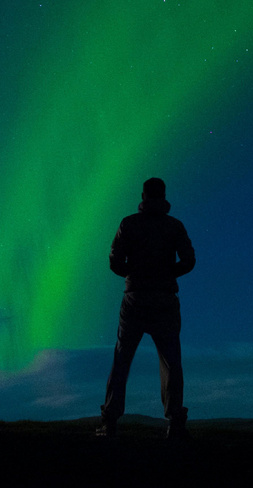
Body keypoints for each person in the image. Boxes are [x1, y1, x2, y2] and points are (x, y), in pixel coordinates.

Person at [97, 177, 196, 439]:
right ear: (164, 196)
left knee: (122, 359)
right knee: (171, 361)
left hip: (135, 298)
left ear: (143, 195)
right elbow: (189, 261)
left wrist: (133, 271)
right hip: (164, 299)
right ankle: (175, 423)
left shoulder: (129, 224)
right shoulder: (174, 226)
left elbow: (115, 261)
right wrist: (166, 273)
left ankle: (109, 422)